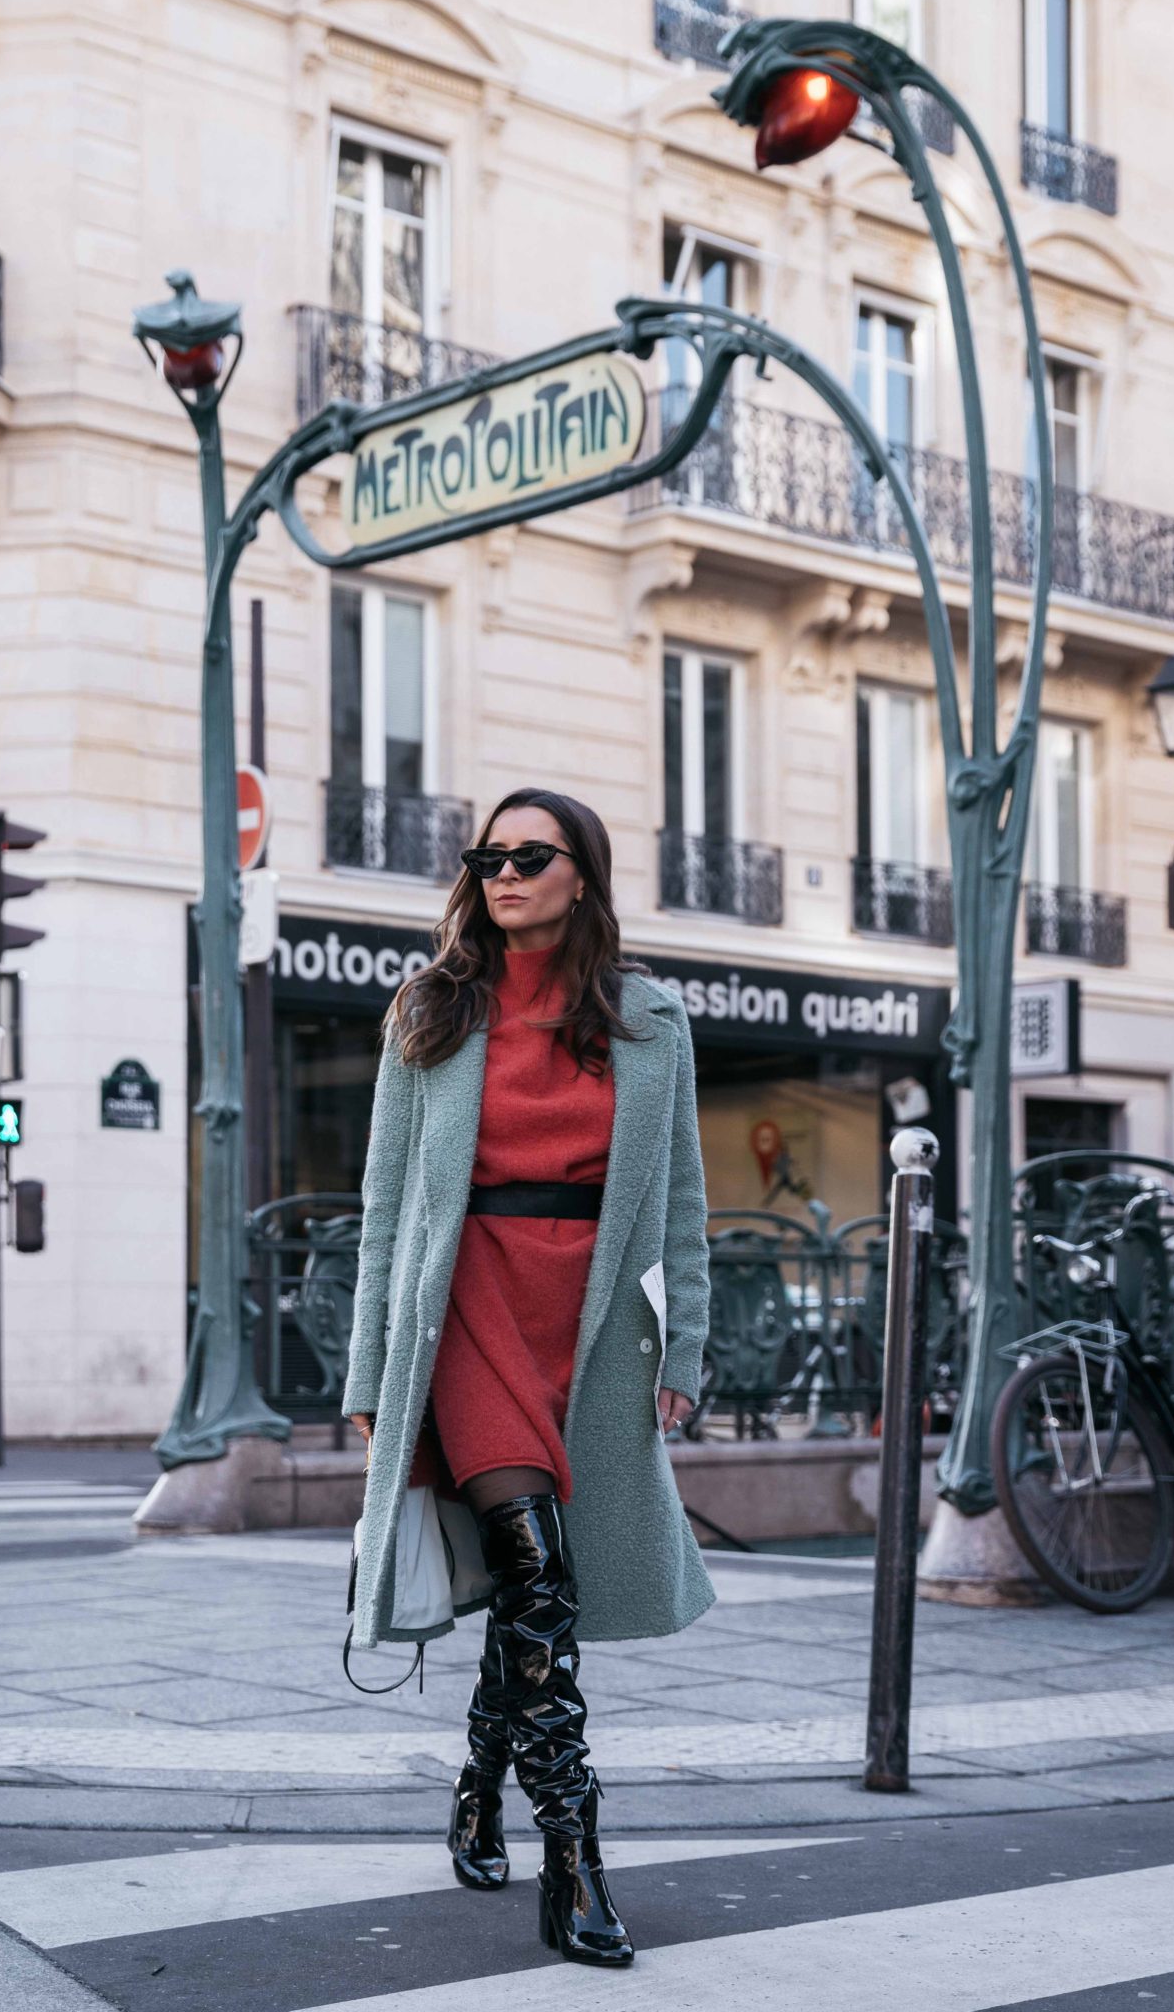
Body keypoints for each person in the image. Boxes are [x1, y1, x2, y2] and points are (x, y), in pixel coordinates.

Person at [342, 785, 715, 1969]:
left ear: (581, 877)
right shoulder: (433, 1007)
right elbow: (383, 1207)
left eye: (529, 854)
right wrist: (368, 1364)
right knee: (540, 1569)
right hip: (464, 1309)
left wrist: (686, 1348)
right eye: (487, 855)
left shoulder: (651, 1021)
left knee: (530, 1592)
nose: (502, 872)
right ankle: (576, 1858)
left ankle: (476, 1781)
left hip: (593, 1325)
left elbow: (686, 1204)